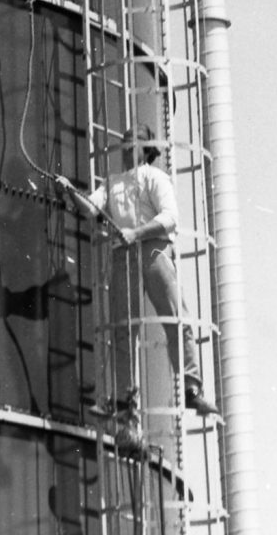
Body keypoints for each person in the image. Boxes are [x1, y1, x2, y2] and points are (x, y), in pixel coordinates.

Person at [57, 129, 218, 420]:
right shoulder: (112, 183)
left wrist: (136, 232)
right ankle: (123, 400)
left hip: (154, 249)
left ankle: (192, 389)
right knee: (122, 327)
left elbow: (170, 217)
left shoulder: (155, 178)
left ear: (145, 149)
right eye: (125, 141)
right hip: (124, 253)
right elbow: (91, 209)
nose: (125, 146)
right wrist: (69, 189)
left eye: (132, 142)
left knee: (174, 317)